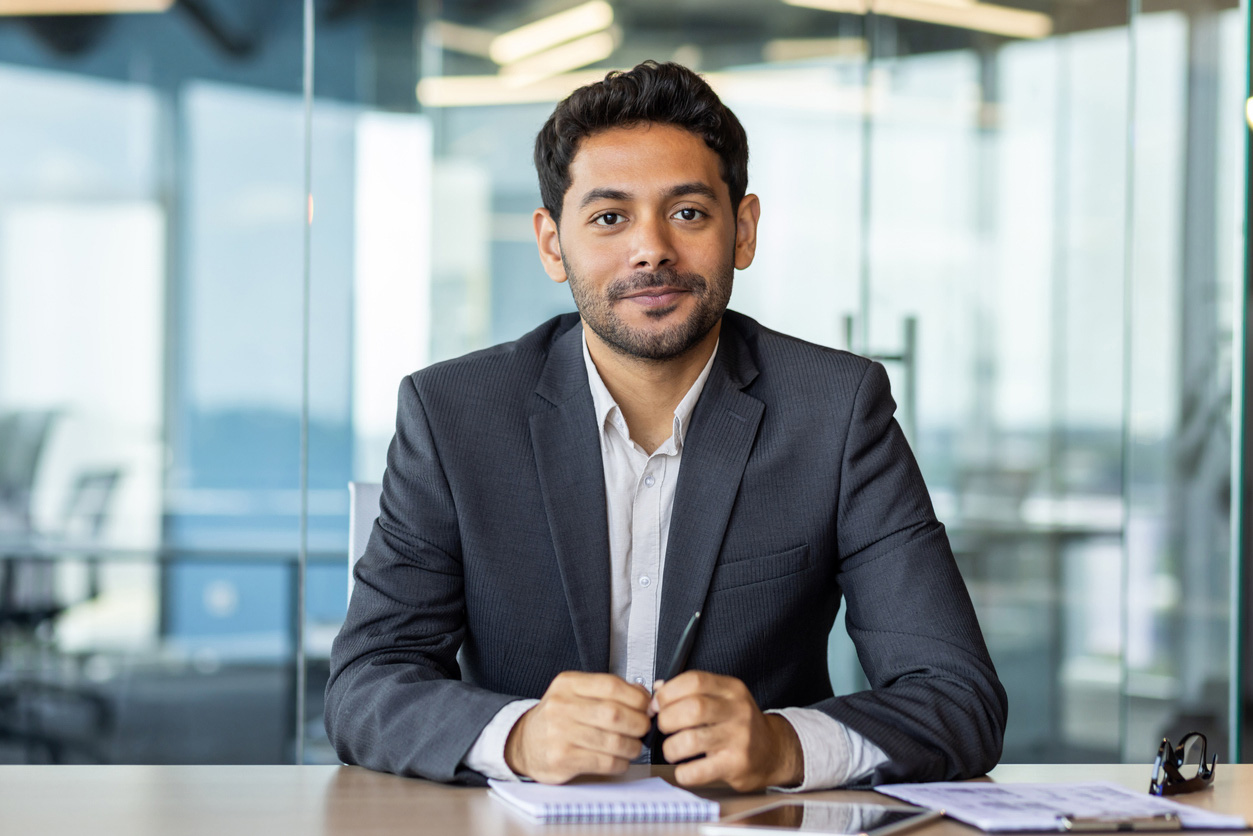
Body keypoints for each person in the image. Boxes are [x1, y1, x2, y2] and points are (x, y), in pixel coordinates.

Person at [325, 61, 1007, 791]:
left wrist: (784, 745)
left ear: (741, 231)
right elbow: (366, 684)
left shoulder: (835, 410)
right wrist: (519, 736)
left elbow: (956, 697)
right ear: (553, 244)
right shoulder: (454, 415)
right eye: (609, 218)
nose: (650, 250)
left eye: (686, 212)